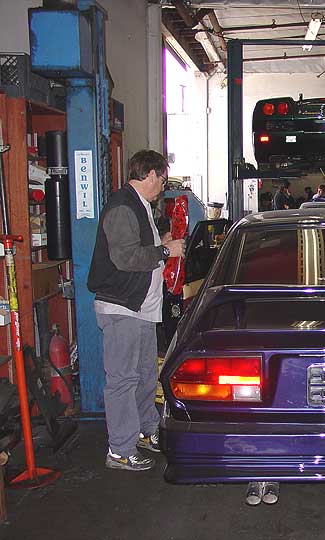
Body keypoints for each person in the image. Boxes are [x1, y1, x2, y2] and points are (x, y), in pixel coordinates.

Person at [88, 150, 185, 471]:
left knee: (144, 376)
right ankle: (119, 449)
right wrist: (164, 250)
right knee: (122, 380)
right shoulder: (122, 206)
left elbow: (140, 250)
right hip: (122, 309)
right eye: (162, 179)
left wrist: (162, 242)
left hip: (142, 310)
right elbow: (125, 258)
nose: (163, 186)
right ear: (150, 175)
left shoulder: (140, 206)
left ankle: (145, 431)